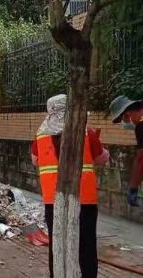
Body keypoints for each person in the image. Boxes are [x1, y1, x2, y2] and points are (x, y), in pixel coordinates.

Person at [31, 94, 109, 278]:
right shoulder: (86, 133)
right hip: (85, 200)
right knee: (86, 244)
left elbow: (35, 161)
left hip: (53, 200)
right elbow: (102, 158)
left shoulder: (40, 137)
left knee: (57, 244)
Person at [109, 95, 143, 206]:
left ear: (128, 114)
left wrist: (133, 188)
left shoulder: (141, 126)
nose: (125, 123)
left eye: (123, 119)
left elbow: (140, 159)